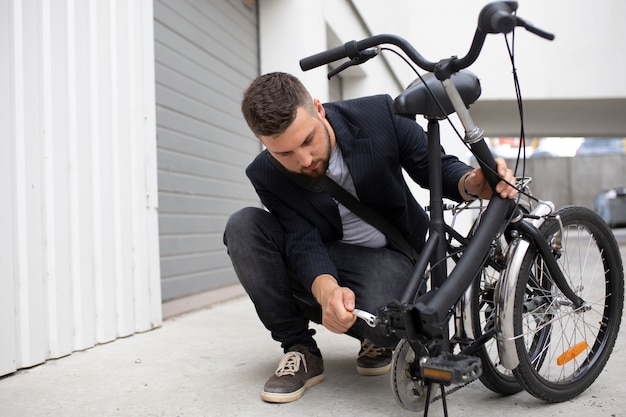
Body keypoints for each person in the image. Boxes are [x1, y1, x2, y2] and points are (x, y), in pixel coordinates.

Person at [223, 72, 517, 404]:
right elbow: (300, 239)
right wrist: (327, 290)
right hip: (328, 258)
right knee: (243, 226)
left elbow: (431, 166)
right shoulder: (264, 173)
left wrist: (472, 182)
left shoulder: (378, 115)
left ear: (319, 110)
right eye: (284, 154)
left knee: (388, 319)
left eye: (307, 141)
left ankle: (375, 337)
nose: (303, 161)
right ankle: (299, 347)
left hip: (392, 256)